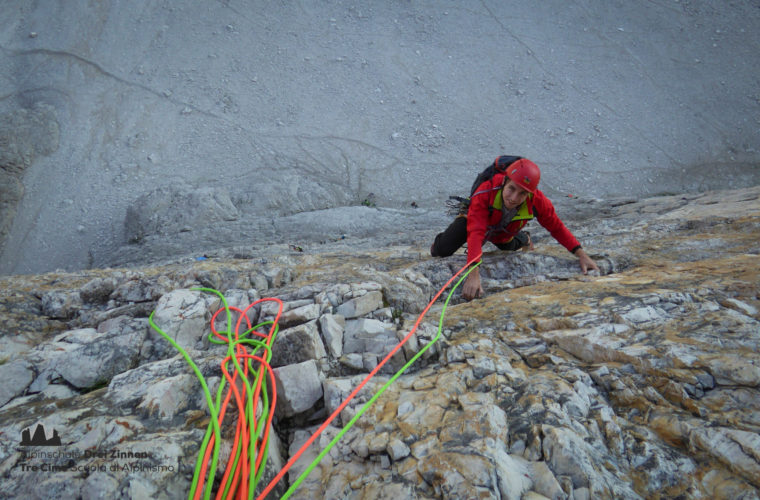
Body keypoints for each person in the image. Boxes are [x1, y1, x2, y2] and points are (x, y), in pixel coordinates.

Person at [430, 157, 599, 300]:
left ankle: (524, 238)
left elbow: (557, 228)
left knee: (508, 246)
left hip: (504, 232)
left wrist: (581, 255)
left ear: (530, 194)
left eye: (522, 194)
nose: (513, 198)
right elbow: (476, 232)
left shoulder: (538, 201)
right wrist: (473, 274)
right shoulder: (485, 192)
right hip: (476, 221)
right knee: (441, 250)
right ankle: (441, 241)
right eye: (511, 189)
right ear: (504, 181)